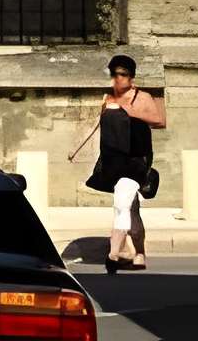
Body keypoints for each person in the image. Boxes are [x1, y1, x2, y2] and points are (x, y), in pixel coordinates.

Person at [67, 53, 165, 272]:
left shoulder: (142, 98)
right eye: (115, 74)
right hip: (113, 159)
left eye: (123, 74)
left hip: (135, 159)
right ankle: (139, 253)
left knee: (121, 205)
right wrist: (77, 149)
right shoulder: (108, 98)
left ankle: (113, 255)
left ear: (131, 76)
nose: (118, 78)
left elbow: (159, 120)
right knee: (131, 209)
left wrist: (128, 112)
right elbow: (97, 125)